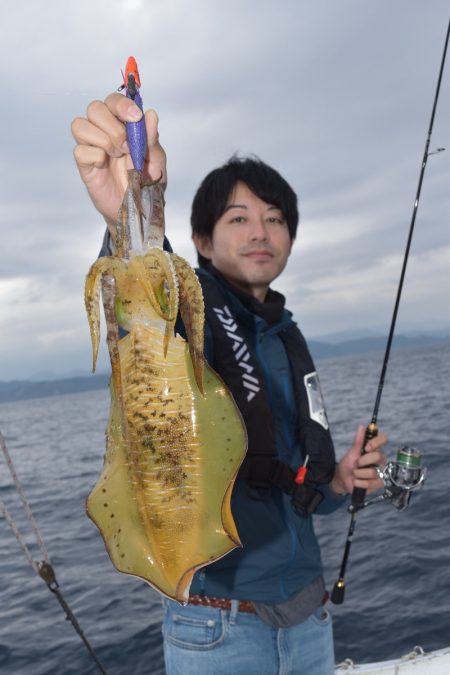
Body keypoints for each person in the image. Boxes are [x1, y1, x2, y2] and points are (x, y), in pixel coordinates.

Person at [72, 94, 387, 675]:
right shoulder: (196, 314)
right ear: (201, 240)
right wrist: (131, 213)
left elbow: (290, 482)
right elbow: (145, 312)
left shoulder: (287, 335)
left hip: (311, 616)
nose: (260, 231)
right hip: (219, 623)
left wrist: (339, 480)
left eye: (274, 218)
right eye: (238, 218)